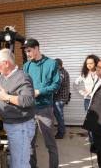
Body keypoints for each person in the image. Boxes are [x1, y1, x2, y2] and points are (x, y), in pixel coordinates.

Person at [22, 38, 60, 168]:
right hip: (29, 109)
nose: (28, 54)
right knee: (30, 142)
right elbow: (24, 85)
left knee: (50, 143)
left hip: (45, 108)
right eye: (26, 51)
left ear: (37, 48)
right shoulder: (27, 65)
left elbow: (56, 85)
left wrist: (40, 91)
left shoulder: (51, 63)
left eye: (29, 51)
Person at [73, 54, 99, 152]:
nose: (89, 65)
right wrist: (82, 92)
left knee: (99, 122)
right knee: (90, 122)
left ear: (95, 63)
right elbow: (75, 84)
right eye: (87, 63)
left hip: (99, 101)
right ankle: (93, 143)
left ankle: (98, 141)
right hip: (88, 101)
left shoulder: (100, 73)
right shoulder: (84, 74)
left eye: (91, 63)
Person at [53, 58, 70, 139]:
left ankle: (61, 133)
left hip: (59, 99)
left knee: (59, 115)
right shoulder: (62, 72)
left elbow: (56, 87)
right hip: (61, 98)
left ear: (59, 65)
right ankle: (62, 130)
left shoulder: (61, 74)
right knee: (59, 115)